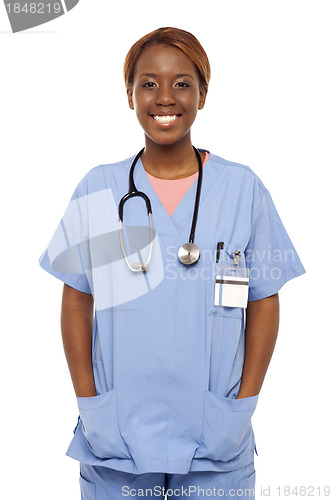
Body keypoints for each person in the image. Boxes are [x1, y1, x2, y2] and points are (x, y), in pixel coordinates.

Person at [39, 27, 306, 500]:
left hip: (215, 434)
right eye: (148, 83)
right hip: (116, 436)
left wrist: (244, 404)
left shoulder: (242, 190)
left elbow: (264, 299)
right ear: (129, 95)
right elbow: (77, 299)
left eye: (182, 83)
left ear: (203, 94)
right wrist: (89, 403)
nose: (165, 98)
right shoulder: (100, 190)